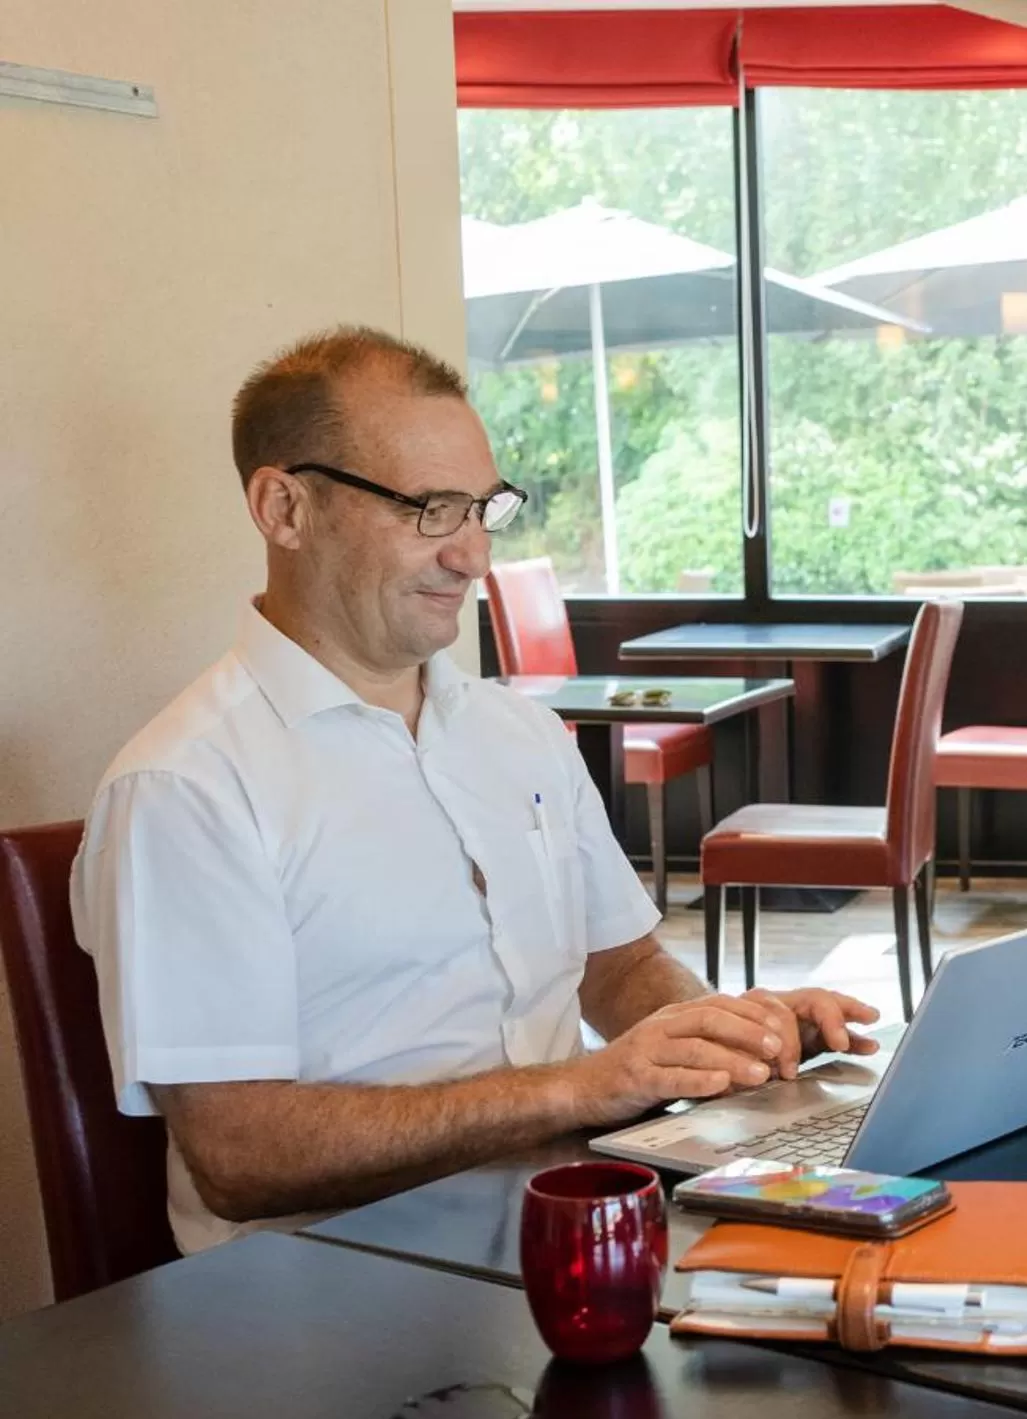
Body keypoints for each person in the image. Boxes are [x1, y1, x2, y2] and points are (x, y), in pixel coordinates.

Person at [71, 326, 880, 1254]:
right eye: (429, 510)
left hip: (571, 1223)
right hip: (334, 1293)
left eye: (483, 510)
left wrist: (734, 1039)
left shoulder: (518, 734)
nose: (473, 557)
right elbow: (239, 1154)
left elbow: (618, 970)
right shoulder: (186, 786)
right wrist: (583, 1087)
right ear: (283, 507)